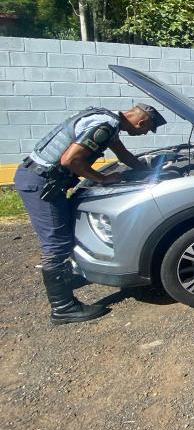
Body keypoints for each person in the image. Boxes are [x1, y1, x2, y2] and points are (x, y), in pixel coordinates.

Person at [14, 104, 167, 325]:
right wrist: (103, 179)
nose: (143, 134)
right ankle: (63, 308)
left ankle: (70, 277)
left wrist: (150, 171)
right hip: (42, 183)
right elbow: (70, 160)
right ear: (142, 122)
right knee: (56, 244)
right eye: (146, 130)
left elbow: (123, 155)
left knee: (66, 231)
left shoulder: (107, 120)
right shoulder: (105, 125)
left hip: (41, 180)